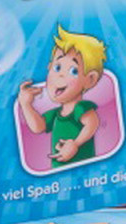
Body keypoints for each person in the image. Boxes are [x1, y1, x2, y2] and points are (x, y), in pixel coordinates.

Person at [18, 25, 106, 167]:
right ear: (49, 67)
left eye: (73, 71)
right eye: (57, 67)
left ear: (90, 79)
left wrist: (75, 144)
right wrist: (25, 104)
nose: (60, 75)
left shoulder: (80, 108)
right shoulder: (55, 114)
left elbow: (92, 123)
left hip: (84, 169)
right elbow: (38, 127)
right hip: (58, 170)